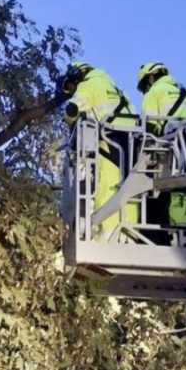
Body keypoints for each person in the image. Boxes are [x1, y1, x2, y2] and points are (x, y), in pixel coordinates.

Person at [59, 61, 140, 240]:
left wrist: (71, 131)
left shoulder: (87, 85)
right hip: (132, 144)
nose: (72, 90)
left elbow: (72, 110)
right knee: (130, 188)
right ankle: (130, 233)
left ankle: (106, 235)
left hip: (109, 142)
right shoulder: (117, 90)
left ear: (77, 74)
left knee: (108, 187)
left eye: (70, 86)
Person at [136, 62, 186, 233]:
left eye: (143, 87)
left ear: (151, 78)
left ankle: (156, 230)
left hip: (179, 147)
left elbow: (149, 128)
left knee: (150, 177)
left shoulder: (154, 92)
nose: (144, 91)